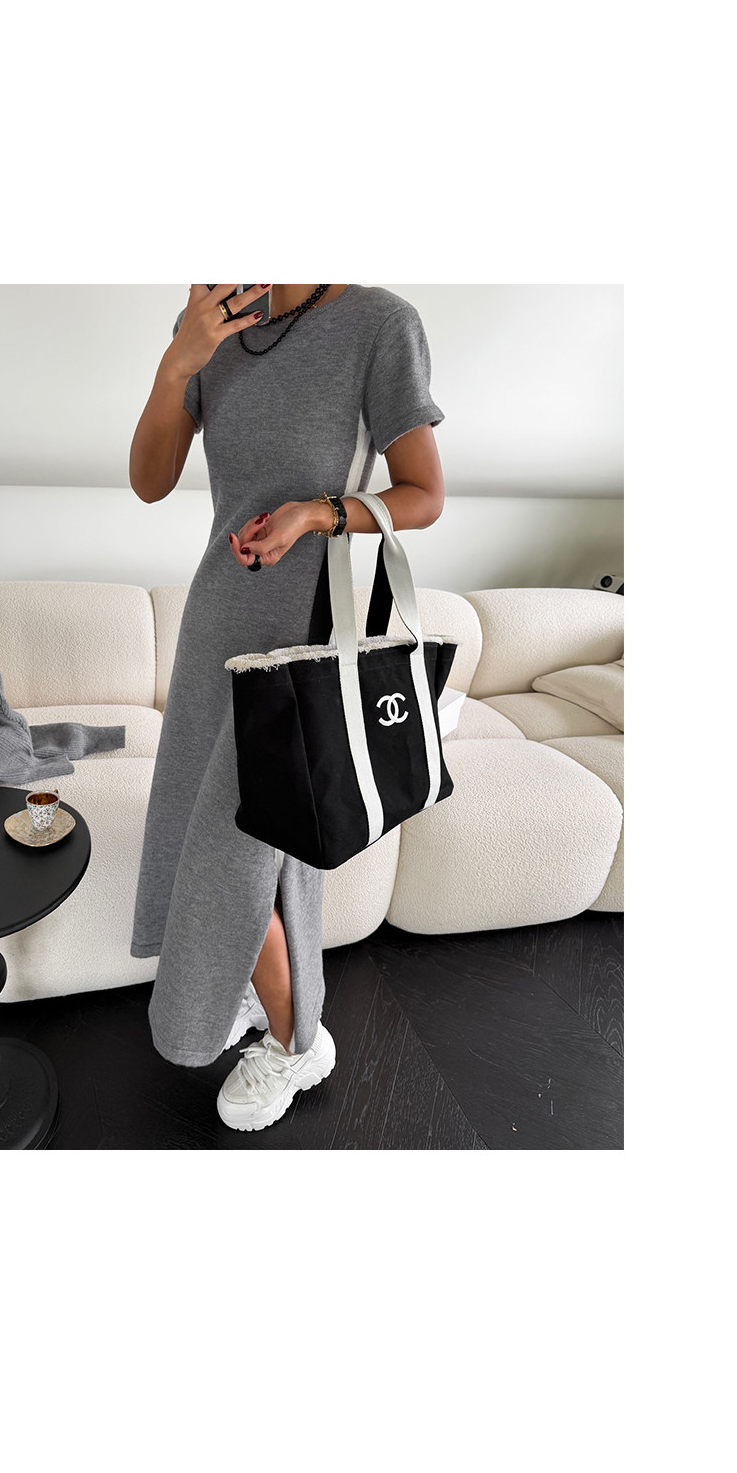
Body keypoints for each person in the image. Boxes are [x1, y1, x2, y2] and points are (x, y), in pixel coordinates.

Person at [128, 284, 446, 1133]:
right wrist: (178, 364)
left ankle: (299, 1042)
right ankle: (249, 993)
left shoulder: (379, 325)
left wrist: (317, 514)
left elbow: (423, 494)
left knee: (241, 851)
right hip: (216, 616)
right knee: (202, 829)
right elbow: (150, 482)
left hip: (303, 626)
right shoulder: (212, 325)